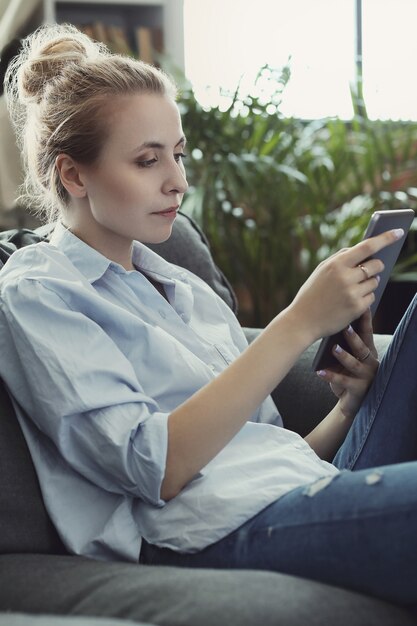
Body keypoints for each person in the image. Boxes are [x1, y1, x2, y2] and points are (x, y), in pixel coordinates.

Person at [1, 22, 416, 609]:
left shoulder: (180, 288)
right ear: (73, 174)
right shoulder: (38, 293)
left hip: (292, 491)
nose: (179, 182)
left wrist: (351, 406)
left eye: (177, 155)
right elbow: (159, 469)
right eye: (148, 161)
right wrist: (297, 321)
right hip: (202, 533)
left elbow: (271, 451)